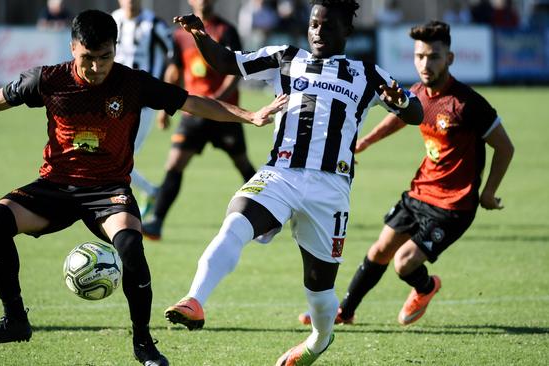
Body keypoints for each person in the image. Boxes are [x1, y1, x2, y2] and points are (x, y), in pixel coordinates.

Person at [0, 9, 285, 366]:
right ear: (73, 47)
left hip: (108, 191)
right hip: (56, 187)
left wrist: (248, 115)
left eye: (105, 57)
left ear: (115, 49)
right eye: (88, 58)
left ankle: (143, 343)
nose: (97, 67)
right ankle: (15, 320)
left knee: (130, 245)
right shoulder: (47, 79)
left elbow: (191, 102)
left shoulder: (131, 83)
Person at [164, 1, 423, 365]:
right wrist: (199, 35)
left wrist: (403, 102)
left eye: (328, 26)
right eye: (314, 25)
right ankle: (194, 300)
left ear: (347, 32)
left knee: (319, 293)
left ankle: (319, 339)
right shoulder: (285, 57)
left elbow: (415, 112)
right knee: (236, 222)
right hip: (280, 174)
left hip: (330, 190)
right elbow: (226, 62)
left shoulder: (367, 73)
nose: (318, 32)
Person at [300, 20, 514, 328]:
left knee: (403, 263)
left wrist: (488, 192)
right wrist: (364, 143)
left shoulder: (467, 104)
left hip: (453, 206)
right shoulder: (418, 93)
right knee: (380, 250)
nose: (425, 64)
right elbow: (399, 119)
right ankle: (344, 312)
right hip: (419, 192)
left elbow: (505, 147)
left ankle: (427, 287)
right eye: (420, 56)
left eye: (434, 56)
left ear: (449, 59)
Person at [141, 0, 257, 241]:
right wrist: (165, 108)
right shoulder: (179, 35)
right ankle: (156, 222)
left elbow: (236, 70)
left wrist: (217, 101)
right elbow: (174, 71)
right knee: (174, 164)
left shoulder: (226, 31)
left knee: (243, 164)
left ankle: (273, 209)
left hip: (225, 114)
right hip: (193, 112)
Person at [112, 0, 174, 217]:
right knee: (114, 157)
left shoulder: (154, 24)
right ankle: (147, 193)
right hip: (115, 101)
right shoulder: (114, 20)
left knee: (121, 159)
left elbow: (174, 59)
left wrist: (166, 103)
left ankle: (140, 196)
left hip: (144, 102)